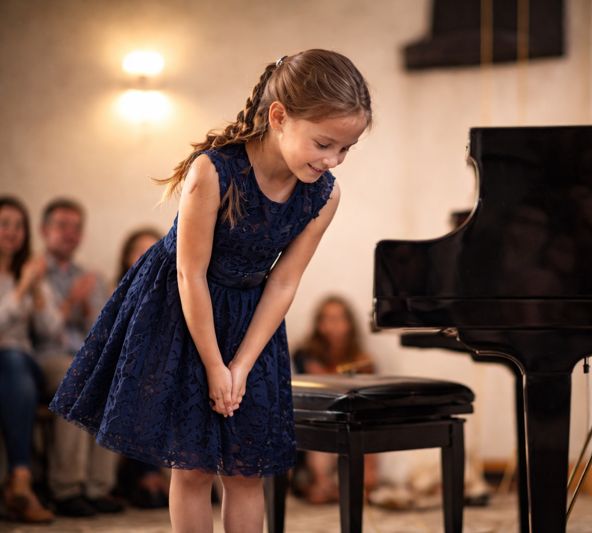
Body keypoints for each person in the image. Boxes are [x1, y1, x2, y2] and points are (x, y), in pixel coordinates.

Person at [49, 49, 371, 533]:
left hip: (252, 320)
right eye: (325, 143)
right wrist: (214, 366)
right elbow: (189, 276)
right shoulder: (213, 172)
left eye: (345, 150)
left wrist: (240, 365)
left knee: (246, 469)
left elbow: (284, 281)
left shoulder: (324, 195)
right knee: (193, 464)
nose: (333, 161)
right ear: (279, 116)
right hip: (182, 311)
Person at [34, 198, 123, 517]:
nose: (70, 233)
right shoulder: (34, 272)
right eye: (62, 226)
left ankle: (98, 487)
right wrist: (73, 300)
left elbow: (100, 333)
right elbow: (46, 332)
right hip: (46, 358)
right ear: (45, 231)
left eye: (76, 228)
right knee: (74, 377)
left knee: (113, 380)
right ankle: (66, 488)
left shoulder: (91, 277)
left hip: (82, 357)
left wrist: (87, 308)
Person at [0, 196, 59, 524]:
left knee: (13, 358)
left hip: (21, 362)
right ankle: (20, 484)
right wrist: (21, 290)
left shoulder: (31, 273)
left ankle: (20, 478)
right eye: (5, 224)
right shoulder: (17, 280)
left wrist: (36, 291)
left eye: (18, 225)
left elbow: (52, 331)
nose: (12, 231)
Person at [292, 295, 377, 503]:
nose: (334, 325)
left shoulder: (362, 360)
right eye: (328, 319)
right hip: (314, 427)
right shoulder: (304, 354)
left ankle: (344, 486)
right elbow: (320, 391)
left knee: (363, 438)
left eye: (339, 318)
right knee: (321, 444)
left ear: (349, 324)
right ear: (319, 324)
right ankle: (321, 483)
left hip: (348, 426)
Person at [113, 227, 172, 509]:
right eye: (141, 251)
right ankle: (145, 475)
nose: (149, 257)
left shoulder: (173, 292)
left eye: (155, 250)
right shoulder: (117, 291)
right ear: (127, 258)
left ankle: (165, 477)